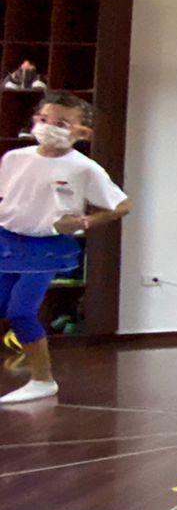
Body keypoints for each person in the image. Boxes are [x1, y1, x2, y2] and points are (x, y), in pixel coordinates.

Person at [0, 93, 131, 404]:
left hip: (45, 247)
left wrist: (85, 221)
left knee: (21, 311)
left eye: (61, 123)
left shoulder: (84, 168)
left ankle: (43, 379)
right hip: (7, 240)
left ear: (81, 131)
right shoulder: (14, 159)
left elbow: (122, 205)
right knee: (5, 306)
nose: (49, 128)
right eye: (44, 120)